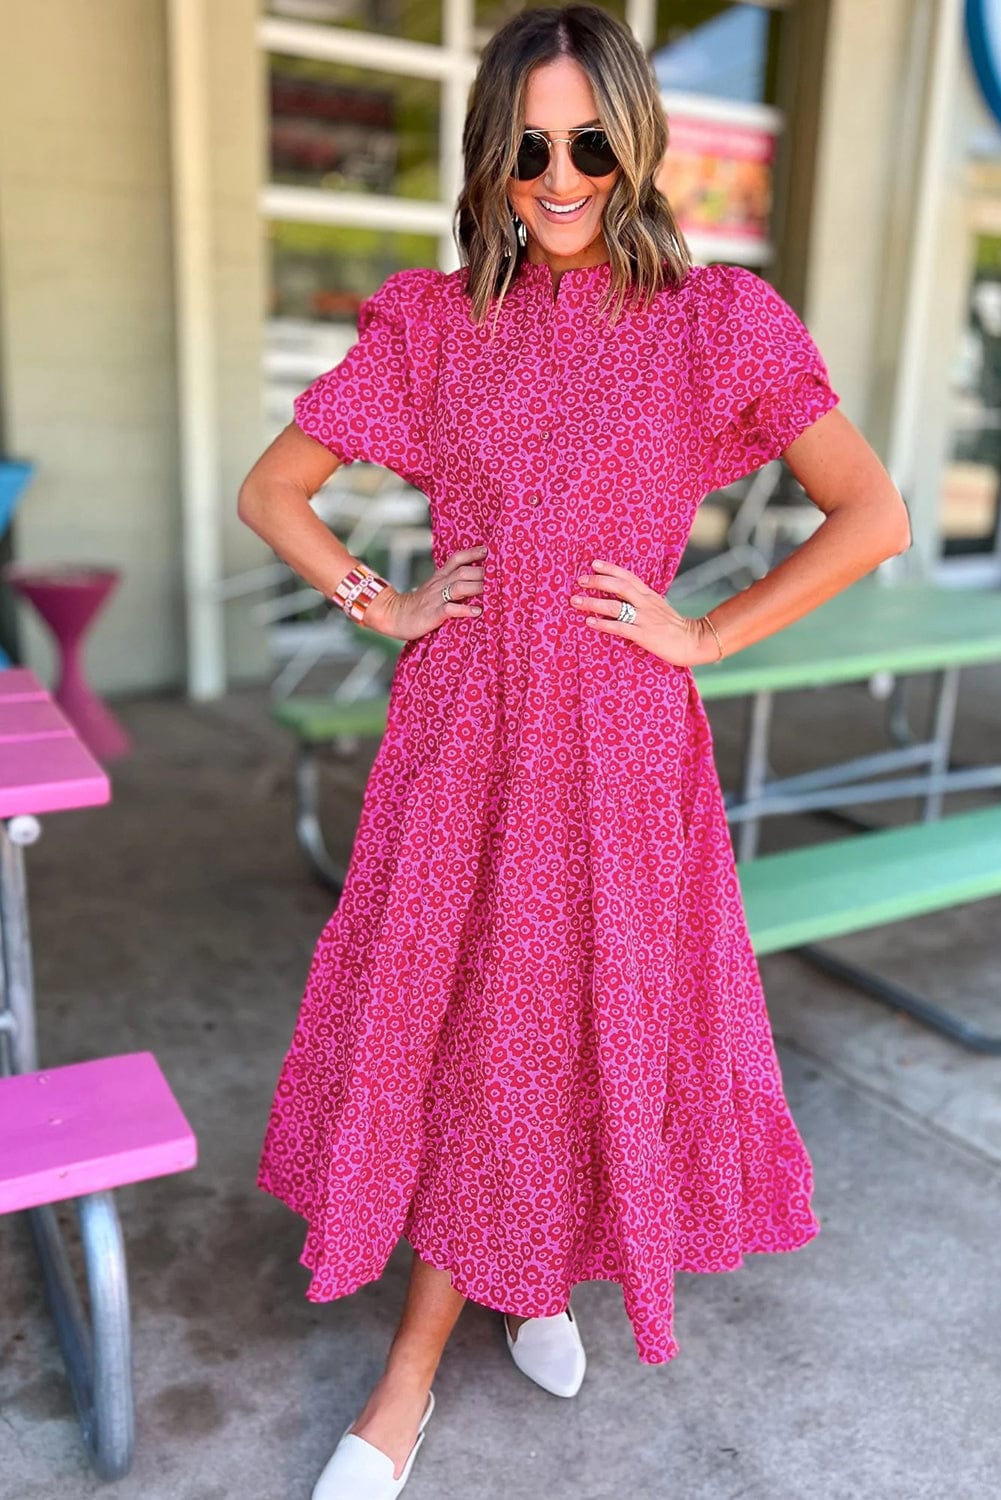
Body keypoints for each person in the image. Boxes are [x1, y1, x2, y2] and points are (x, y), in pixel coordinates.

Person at [238, 7, 911, 1497]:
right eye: (529, 147)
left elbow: (871, 514)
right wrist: (382, 603)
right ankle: (419, 1369)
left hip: (616, 744)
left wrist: (707, 633)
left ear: (637, 146)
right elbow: (273, 491)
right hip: (463, 735)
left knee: (565, 1022)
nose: (559, 179)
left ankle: (520, 1281)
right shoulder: (436, 325)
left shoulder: (712, 322)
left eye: (591, 146)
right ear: (490, 155)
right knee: (470, 1023)